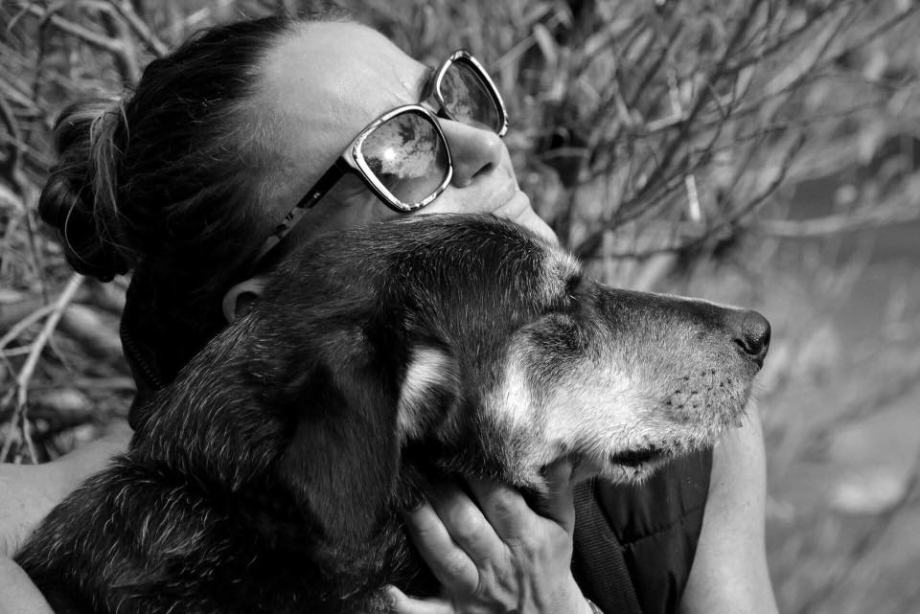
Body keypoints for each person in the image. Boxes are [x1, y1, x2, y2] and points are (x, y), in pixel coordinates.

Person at [0, 12, 778, 614]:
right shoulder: (50, 555)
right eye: (401, 150)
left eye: (448, 96)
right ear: (273, 313)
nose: (483, 145)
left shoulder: (673, 453)